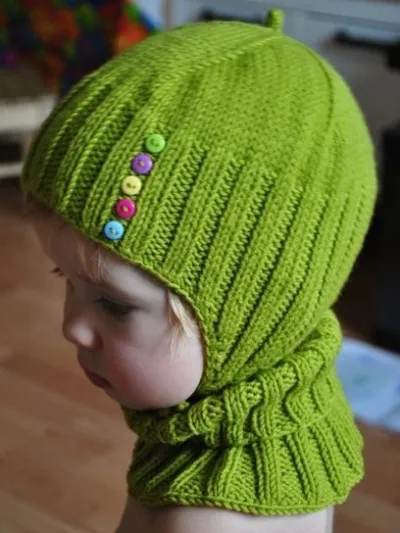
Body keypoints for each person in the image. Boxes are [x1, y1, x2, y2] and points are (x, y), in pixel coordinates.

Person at [21, 9, 377, 533]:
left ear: (257, 315)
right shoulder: (272, 407)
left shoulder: (205, 521)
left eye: (115, 304)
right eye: (63, 278)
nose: (71, 326)